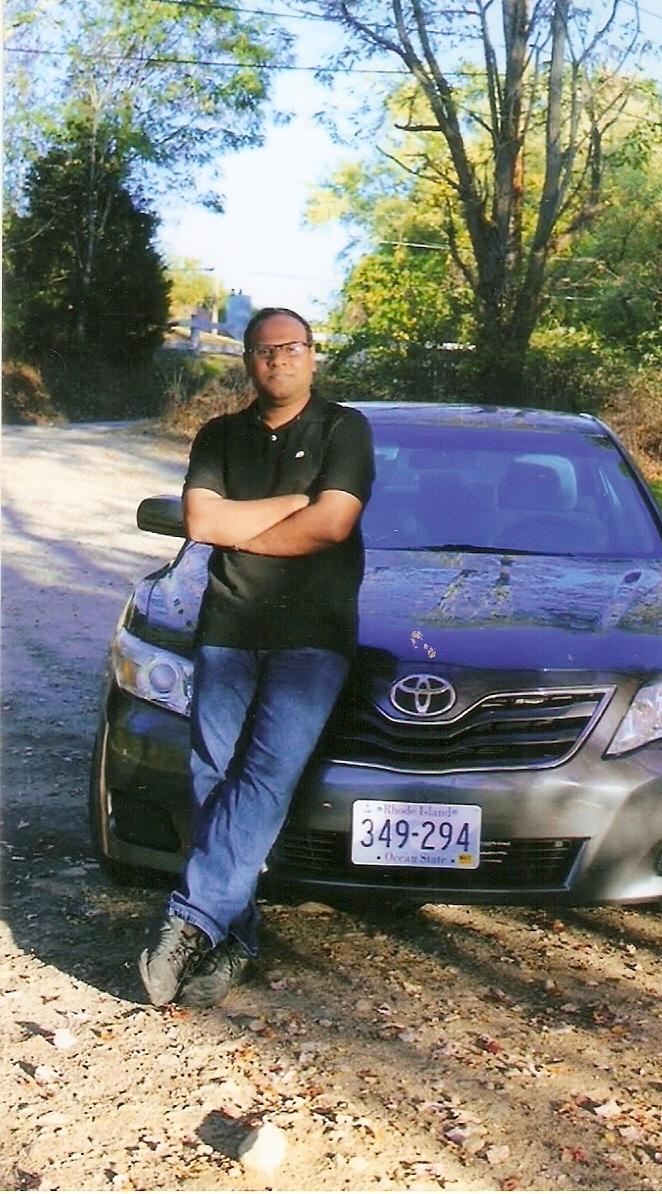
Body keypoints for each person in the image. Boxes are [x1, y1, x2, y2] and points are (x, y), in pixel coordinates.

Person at [138, 307, 374, 1008]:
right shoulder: (219, 435)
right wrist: (292, 504)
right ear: (248, 360)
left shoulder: (344, 429)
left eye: (291, 347)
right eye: (265, 350)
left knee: (266, 775)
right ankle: (234, 936)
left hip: (313, 636)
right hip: (229, 628)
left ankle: (190, 920)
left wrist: (241, 529)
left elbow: (332, 522)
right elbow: (201, 521)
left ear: (313, 355)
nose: (279, 359)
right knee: (211, 777)